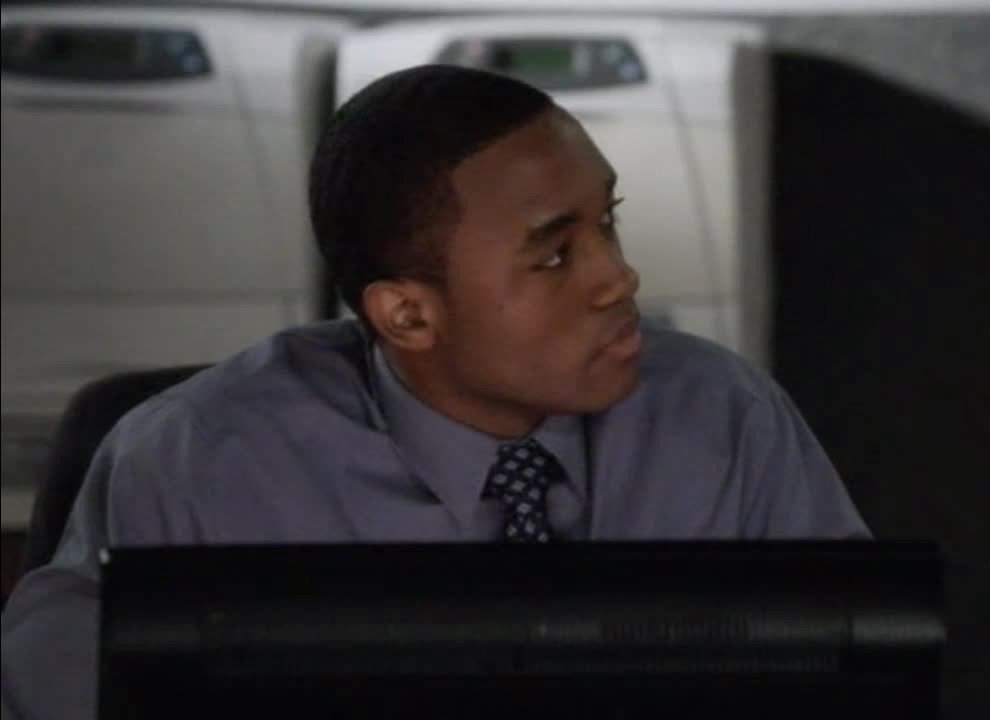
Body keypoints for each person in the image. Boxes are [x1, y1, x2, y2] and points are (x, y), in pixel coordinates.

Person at [1, 64, 870, 718]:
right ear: (409, 316)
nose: (619, 276)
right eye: (556, 254)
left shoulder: (722, 415)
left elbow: (864, 665)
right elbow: (52, 681)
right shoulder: (197, 462)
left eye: (608, 221)